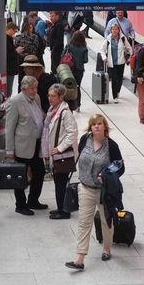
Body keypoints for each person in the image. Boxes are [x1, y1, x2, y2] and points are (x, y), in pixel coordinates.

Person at [65, 115, 124, 270]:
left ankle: (107, 248)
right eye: (93, 125)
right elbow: (79, 157)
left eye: (99, 124)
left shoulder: (111, 146)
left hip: (104, 191)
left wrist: (105, 175)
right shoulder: (85, 139)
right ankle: (80, 258)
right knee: (84, 222)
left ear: (105, 127)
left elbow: (120, 167)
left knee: (106, 220)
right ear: (90, 128)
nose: (96, 127)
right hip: (85, 187)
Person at [4, 76, 47, 215]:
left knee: (40, 172)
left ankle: (33, 200)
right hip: (22, 146)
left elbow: (39, 115)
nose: (35, 91)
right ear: (23, 88)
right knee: (20, 176)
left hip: (36, 144)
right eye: (32, 88)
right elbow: (9, 128)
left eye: (36, 87)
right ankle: (21, 205)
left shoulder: (37, 98)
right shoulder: (15, 102)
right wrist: (9, 150)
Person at [42, 85, 78, 220]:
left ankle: (64, 211)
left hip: (62, 156)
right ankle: (61, 207)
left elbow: (72, 133)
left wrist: (60, 148)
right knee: (58, 183)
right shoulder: (53, 110)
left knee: (61, 183)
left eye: (53, 96)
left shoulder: (65, 113)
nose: (50, 98)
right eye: (49, 95)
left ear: (61, 97)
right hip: (56, 154)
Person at [100, 23, 133, 103]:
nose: (114, 31)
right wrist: (104, 58)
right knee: (114, 80)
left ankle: (118, 91)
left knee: (120, 79)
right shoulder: (108, 39)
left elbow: (130, 49)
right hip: (111, 63)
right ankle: (115, 96)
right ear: (111, 30)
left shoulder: (123, 38)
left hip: (121, 62)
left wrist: (129, 58)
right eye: (113, 29)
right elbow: (102, 50)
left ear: (118, 30)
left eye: (116, 29)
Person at [14, 15, 44, 88]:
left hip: (21, 62)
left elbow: (16, 48)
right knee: (32, 80)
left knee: (21, 81)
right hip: (32, 62)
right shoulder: (35, 37)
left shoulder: (18, 37)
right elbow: (37, 49)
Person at [67, 31, 88, 110]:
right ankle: (78, 105)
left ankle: (71, 104)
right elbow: (86, 60)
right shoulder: (84, 48)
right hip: (80, 70)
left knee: (70, 86)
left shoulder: (70, 46)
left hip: (70, 69)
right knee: (77, 86)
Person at [5, 22, 20, 96]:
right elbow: (8, 55)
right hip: (9, 69)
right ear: (10, 29)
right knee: (8, 89)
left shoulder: (8, 39)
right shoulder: (6, 40)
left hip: (9, 69)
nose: (15, 33)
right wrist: (16, 51)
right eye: (15, 31)